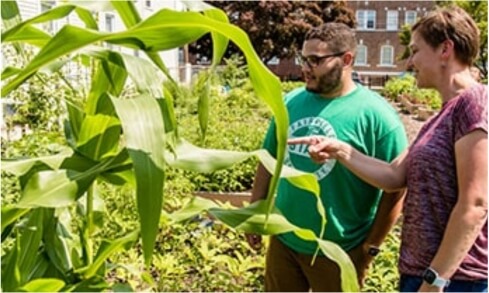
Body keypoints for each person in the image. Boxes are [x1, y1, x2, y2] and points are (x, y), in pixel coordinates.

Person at [289, 6, 487, 292]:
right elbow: (395, 176)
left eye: (415, 50)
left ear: (445, 49)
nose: (409, 61)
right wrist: (339, 150)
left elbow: (476, 204)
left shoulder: (474, 103)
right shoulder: (441, 115)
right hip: (423, 274)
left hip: (455, 280)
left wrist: (435, 280)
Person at [246, 22, 408, 292]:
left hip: (339, 250)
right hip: (284, 241)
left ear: (346, 60)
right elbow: (268, 159)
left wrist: (371, 247)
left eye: (315, 60)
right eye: (303, 59)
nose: (305, 68)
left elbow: (396, 189)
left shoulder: (378, 117)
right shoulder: (290, 102)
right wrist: (255, 211)